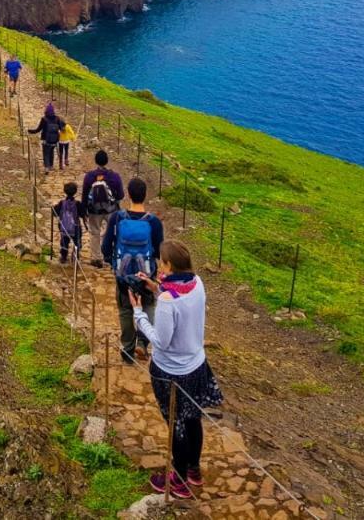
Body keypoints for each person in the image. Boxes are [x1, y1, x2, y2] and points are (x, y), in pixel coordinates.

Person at [129, 241, 224, 498]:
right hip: (196, 365)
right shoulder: (197, 284)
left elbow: (161, 340)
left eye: (161, 261)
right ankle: (193, 470)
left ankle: (179, 480)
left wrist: (139, 314)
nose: (159, 264)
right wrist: (156, 287)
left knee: (176, 424)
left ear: (169, 265)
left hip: (171, 372)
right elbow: (179, 295)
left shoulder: (169, 301)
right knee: (193, 419)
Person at [101, 176, 163, 364]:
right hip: (147, 275)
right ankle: (143, 343)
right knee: (149, 305)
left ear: (128, 194)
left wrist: (110, 262)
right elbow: (159, 249)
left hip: (123, 275)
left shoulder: (117, 217)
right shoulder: (153, 222)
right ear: (145, 196)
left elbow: (106, 245)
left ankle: (127, 349)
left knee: (125, 309)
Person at [80, 151, 124, 268]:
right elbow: (120, 195)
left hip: (94, 210)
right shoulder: (114, 176)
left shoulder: (89, 176)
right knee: (112, 233)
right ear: (107, 161)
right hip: (111, 210)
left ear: (96, 161)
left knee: (95, 232)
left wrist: (84, 210)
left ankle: (96, 258)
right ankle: (111, 256)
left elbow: (84, 195)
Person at [26, 103, 65, 172]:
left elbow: (37, 130)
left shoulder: (44, 119)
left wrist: (29, 131)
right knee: (51, 152)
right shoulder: (57, 118)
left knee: (46, 153)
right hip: (54, 140)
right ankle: (51, 165)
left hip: (45, 140)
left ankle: (46, 167)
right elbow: (62, 128)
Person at [52, 181, 82, 264]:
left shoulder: (62, 203)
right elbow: (83, 214)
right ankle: (76, 255)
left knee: (64, 241)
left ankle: (64, 256)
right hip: (76, 226)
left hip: (64, 226)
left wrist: (53, 206)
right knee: (77, 241)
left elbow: (54, 212)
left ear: (65, 191)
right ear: (75, 192)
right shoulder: (77, 204)